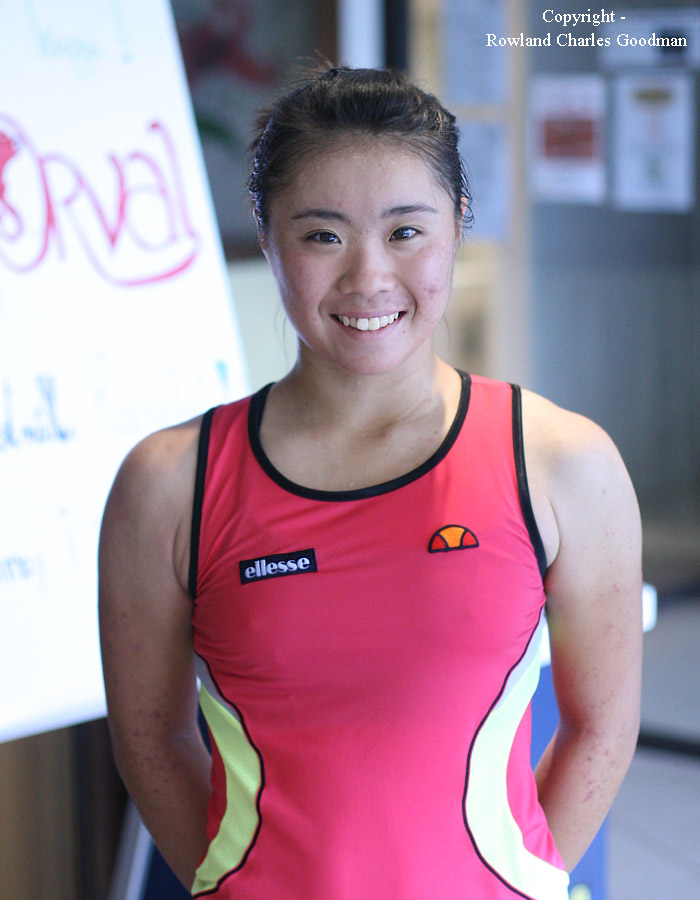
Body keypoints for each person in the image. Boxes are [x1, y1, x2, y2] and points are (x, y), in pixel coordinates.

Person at [99, 66, 642, 899]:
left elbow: (600, 727)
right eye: (323, 236)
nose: (368, 278)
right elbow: (150, 739)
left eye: (405, 231)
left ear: (458, 225)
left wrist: (517, 883)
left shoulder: (563, 464)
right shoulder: (169, 486)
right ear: (267, 235)